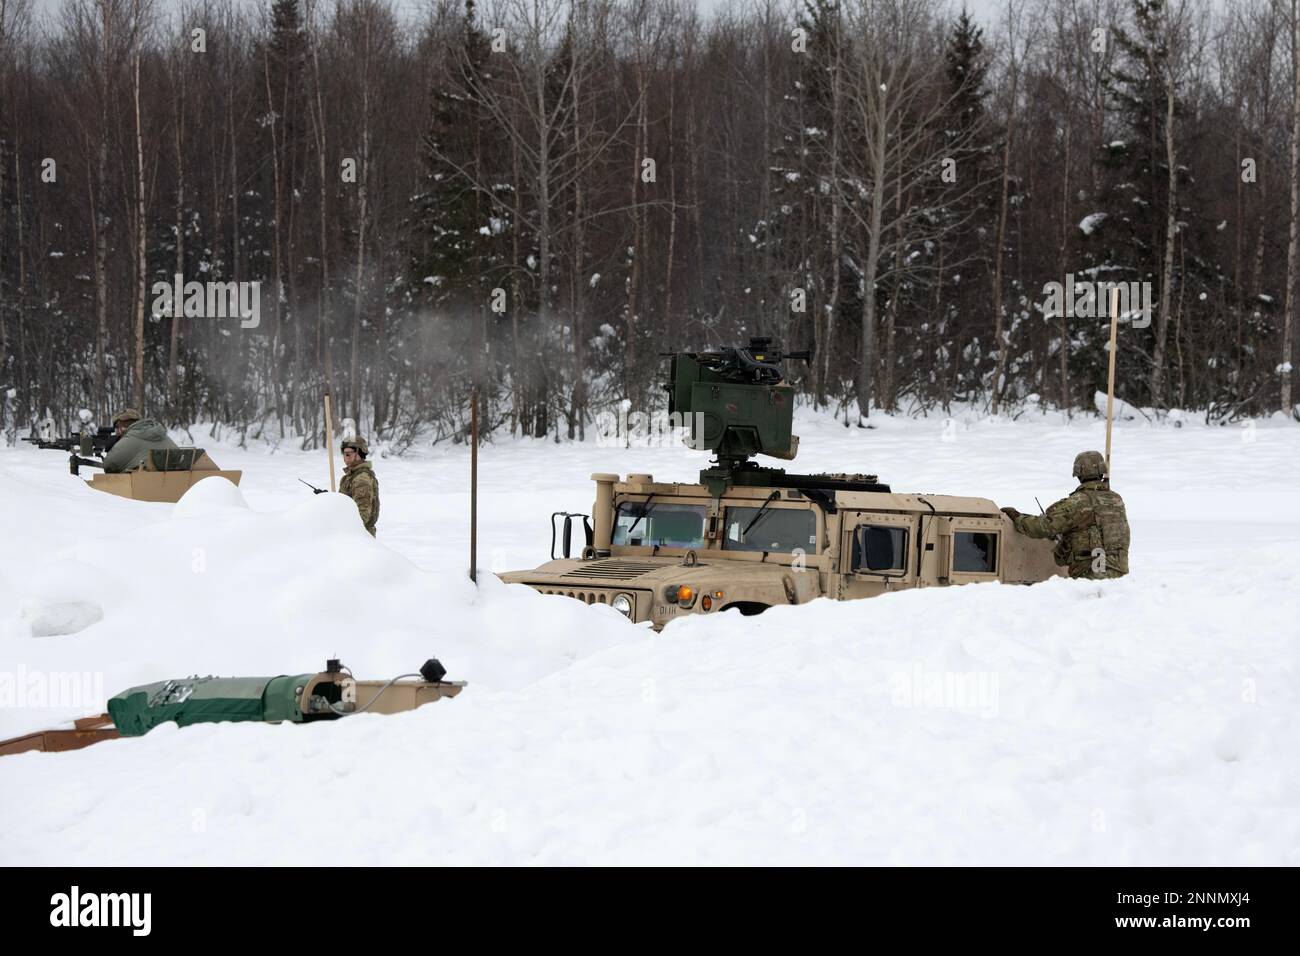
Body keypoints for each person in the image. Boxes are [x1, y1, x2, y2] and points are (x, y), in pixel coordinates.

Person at [1002, 450, 1130, 579]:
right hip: (1119, 576)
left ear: (1078, 475)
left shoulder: (1078, 502)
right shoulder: (1116, 500)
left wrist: (1018, 519)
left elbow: (1043, 527)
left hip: (1091, 575)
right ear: (1102, 471)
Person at [101, 408, 180, 474]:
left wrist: (111, 450)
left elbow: (108, 466)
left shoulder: (131, 439)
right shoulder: (160, 433)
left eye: (117, 428)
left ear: (121, 428)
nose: (117, 432)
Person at [338, 435, 379, 536]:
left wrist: (343, 527)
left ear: (359, 454)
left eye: (348, 454)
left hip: (359, 537)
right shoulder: (351, 476)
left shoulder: (362, 479)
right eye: (344, 454)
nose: (345, 458)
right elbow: (345, 504)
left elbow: (362, 516)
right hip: (349, 535)